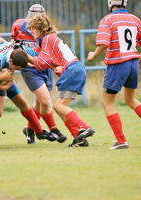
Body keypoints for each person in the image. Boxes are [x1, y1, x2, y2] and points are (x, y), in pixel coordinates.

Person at [87, 0, 141, 149]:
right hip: (132, 64)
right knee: (131, 99)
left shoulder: (107, 19)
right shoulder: (135, 19)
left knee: (107, 102)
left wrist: (93, 55)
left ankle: (121, 141)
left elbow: (103, 43)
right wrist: (139, 61)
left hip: (117, 64)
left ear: (110, 3)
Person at [0, 42, 59, 150]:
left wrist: (54, 66)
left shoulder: (20, 50)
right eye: (16, 68)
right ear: (11, 61)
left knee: (23, 104)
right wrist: (3, 86)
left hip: (4, 75)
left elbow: (37, 60)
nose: (17, 70)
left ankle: (40, 132)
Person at [25, 14, 95, 147]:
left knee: (58, 106)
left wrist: (24, 56)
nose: (31, 30)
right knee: (60, 107)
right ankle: (79, 138)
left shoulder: (47, 39)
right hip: (75, 70)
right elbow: (40, 62)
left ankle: (84, 127)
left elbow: (40, 62)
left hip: (72, 71)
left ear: (40, 27)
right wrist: (23, 58)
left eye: (33, 28)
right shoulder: (46, 41)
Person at [11, 4, 66, 144]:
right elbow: (13, 43)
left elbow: (52, 48)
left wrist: (56, 65)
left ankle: (30, 129)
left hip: (44, 66)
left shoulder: (48, 30)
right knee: (46, 101)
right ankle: (54, 130)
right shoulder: (18, 25)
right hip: (29, 68)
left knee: (39, 103)